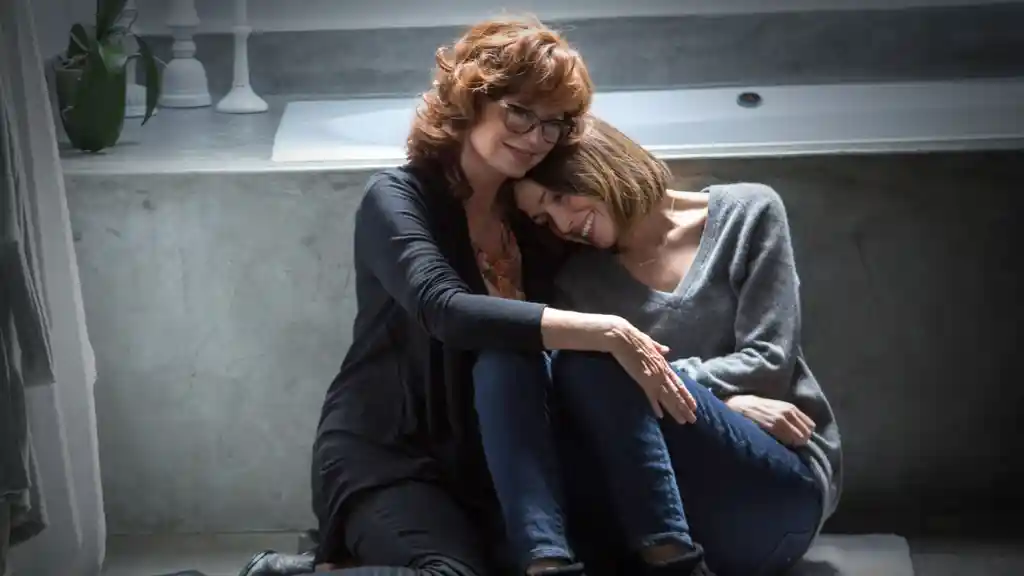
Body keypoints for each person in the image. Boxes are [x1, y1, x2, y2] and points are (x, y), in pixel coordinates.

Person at [239, 17, 696, 576]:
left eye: (553, 123)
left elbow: (637, 240)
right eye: (519, 112)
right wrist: (608, 330)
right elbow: (446, 310)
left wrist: (725, 391)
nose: (536, 138)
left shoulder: (533, 217)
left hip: (488, 460)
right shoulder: (397, 197)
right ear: (471, 99)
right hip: (389, 450)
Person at [491, 116, 844, 576]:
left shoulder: (748, 213)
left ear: (597, 165)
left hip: (776, 488)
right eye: (543, 219)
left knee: (605, 359)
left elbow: (768, 363)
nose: (561, 224)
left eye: (558, 198)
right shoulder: (579, 282)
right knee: (585, 362)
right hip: (675, 513)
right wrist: (728, 401)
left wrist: (654, 380)